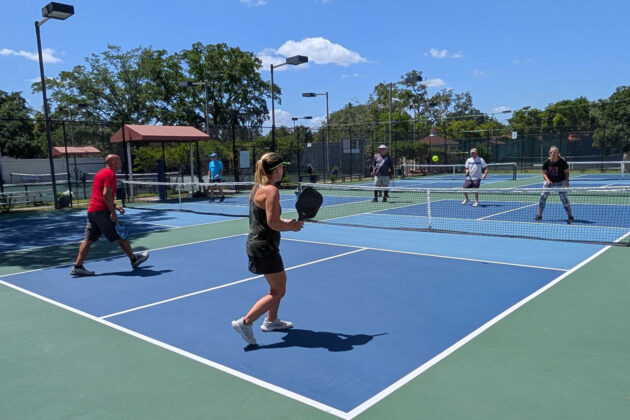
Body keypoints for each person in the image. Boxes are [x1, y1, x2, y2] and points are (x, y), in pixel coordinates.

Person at [232, 153, 304, 345]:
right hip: (264, 246)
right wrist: (292, 226)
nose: (283, 170)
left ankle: (271, 321)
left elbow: (267, 220)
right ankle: (246, 322)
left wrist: (286, 221)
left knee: (278, 286)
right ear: (276, 170)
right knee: (279, 291)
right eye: (282, 167)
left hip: (260, 244)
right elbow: (273, 223)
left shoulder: (257, 188)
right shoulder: (272, 191)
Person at [71, 154, 149, 276]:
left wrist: (115, 206)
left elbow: (100, 195)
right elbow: (106, 194)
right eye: (119, 160)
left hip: (92, 211)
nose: (121, 163)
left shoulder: (100, 173)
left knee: (88, 239)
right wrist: (113, 213)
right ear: (112, 161)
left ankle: (78, 266)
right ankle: (134, 259)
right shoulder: (110, 174)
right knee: (120, 234)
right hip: (102, 212)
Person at [535, 146, 574, 223]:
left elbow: (566, 172)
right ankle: (539, 215)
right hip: (549, 182)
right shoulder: (546, 163)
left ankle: (570, 216)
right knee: (542, 197)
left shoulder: (562, 162)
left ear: (557, 153)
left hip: (560, 182)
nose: (552, 153)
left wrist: (567, 181)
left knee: (564, 198)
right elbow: (544, 173)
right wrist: (548, 180)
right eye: (551, 152)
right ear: (549, 153)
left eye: (554, 152)